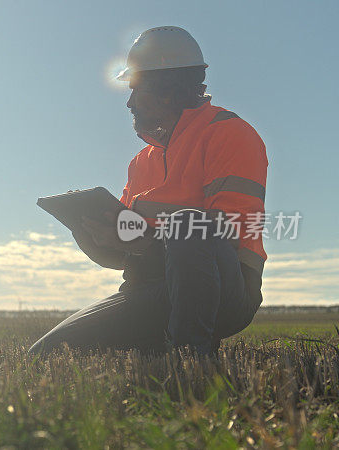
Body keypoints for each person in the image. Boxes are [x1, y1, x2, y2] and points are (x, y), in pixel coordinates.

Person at [29, 26, 267, 356]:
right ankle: (158, 347)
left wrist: (141, 243)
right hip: (150, 287)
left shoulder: (229, 134)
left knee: (189, 226)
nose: (129, 103)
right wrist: (90, 231)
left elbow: (225, 234)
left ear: (167, 91)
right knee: (49, 353)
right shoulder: (141, 162)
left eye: (135, 90)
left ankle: (191, 361)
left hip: (225, 291)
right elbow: (123, 253)